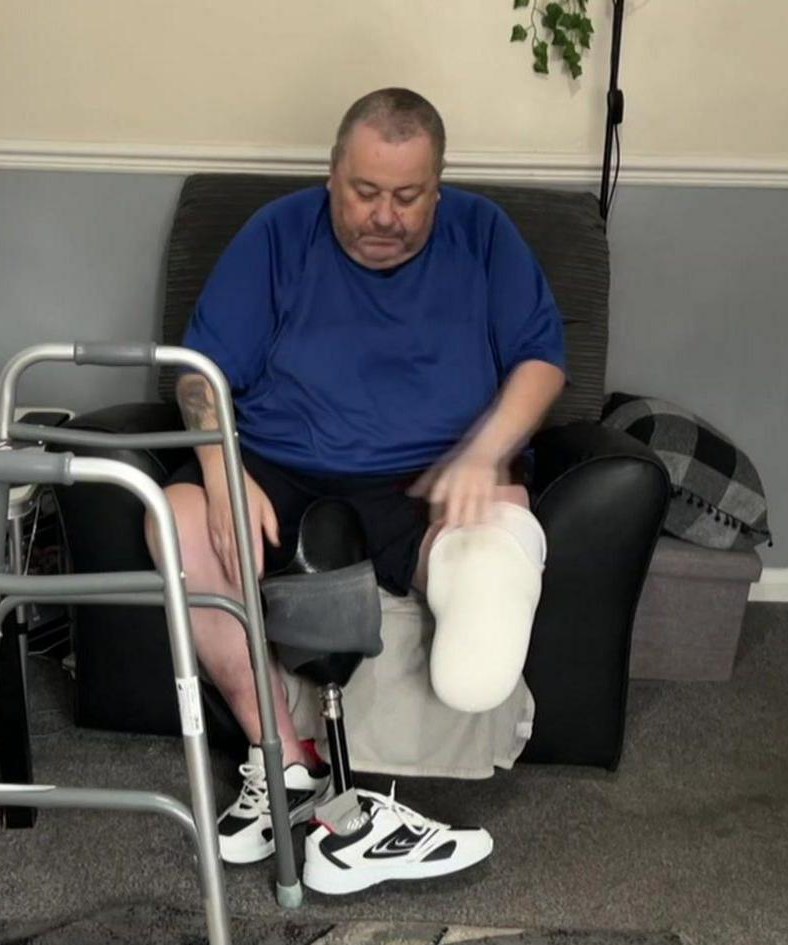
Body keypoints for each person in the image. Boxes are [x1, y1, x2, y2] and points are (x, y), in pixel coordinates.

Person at [153, 87, 566, 894]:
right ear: (332, 175)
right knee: (176, 516)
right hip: (282, 466)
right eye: (365, 192)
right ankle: (288, 766)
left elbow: (541, 359)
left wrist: (486, 454)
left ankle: (476, 605)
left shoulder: (484, 235)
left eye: (408, 196)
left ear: (437, 188)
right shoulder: (276, 233)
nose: (385, 216)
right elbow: (197, 378)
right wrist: (218, 467)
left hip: (429, 476)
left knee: (490, 574)